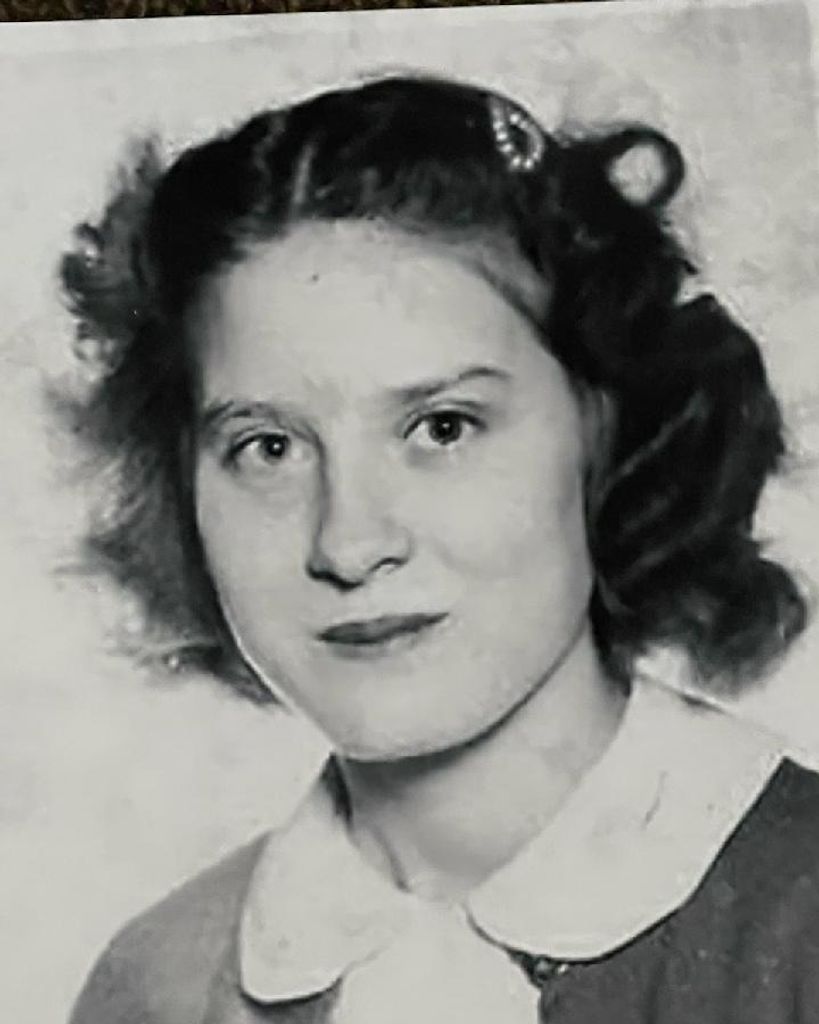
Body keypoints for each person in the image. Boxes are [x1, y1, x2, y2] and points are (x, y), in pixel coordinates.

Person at [61, 73, 818, 1024]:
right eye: (269, 447)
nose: (349, 542)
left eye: (443, 428)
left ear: (607, 430)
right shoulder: (153, 986)